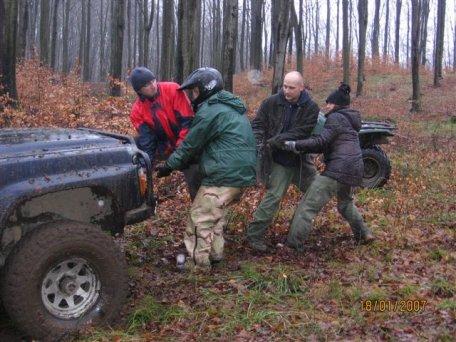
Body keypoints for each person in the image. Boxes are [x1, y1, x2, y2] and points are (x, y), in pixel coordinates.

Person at [156, 67, 256, 270]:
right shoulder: (226, 107)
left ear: (205, 89)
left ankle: (197, 265)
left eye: (194, 91)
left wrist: (168, 166)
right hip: (238, 172)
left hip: (224, 173)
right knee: (215, 216)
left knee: (199, 218)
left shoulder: (210, 111)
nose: (191, 96)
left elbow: (190, 145)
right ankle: (215, 255)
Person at [279, 83, 375, 251]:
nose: (327, 106)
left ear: (337, 104)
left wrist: (295, 144)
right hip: (355, 168)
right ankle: (364, 233)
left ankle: (293, 245)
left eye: (329, 103)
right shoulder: (350, 120)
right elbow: (327, 144)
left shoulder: (335, 118)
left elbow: (321, 141)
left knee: (307, 206)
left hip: (338, 170)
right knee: (345, 203)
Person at [246, 71, 320, 252]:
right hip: (279, 160)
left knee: (318, 191)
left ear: (301, 87)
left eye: (291, 87)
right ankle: (254, 236)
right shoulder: (271, 103)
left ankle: (296, 234)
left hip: (301, 160)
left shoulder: (311, 107)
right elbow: (258, 125)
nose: (286, 90)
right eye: (285, 86)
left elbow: (303, 131)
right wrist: (259, 143)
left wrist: (279, 139)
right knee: (273, 197)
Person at [129, 66, 201, 200]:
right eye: (146, 85)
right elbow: (147, 141)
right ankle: (142, 195)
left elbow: (187, 122)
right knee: (134, 149)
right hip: (164, 145)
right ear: (139, 91)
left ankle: (199, 201)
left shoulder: (172, 89)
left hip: (186, 139)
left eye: (153, 81)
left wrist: (179, 153)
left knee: (194, 169)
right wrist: (147, 166)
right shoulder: (137, 111)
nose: (152, 86)